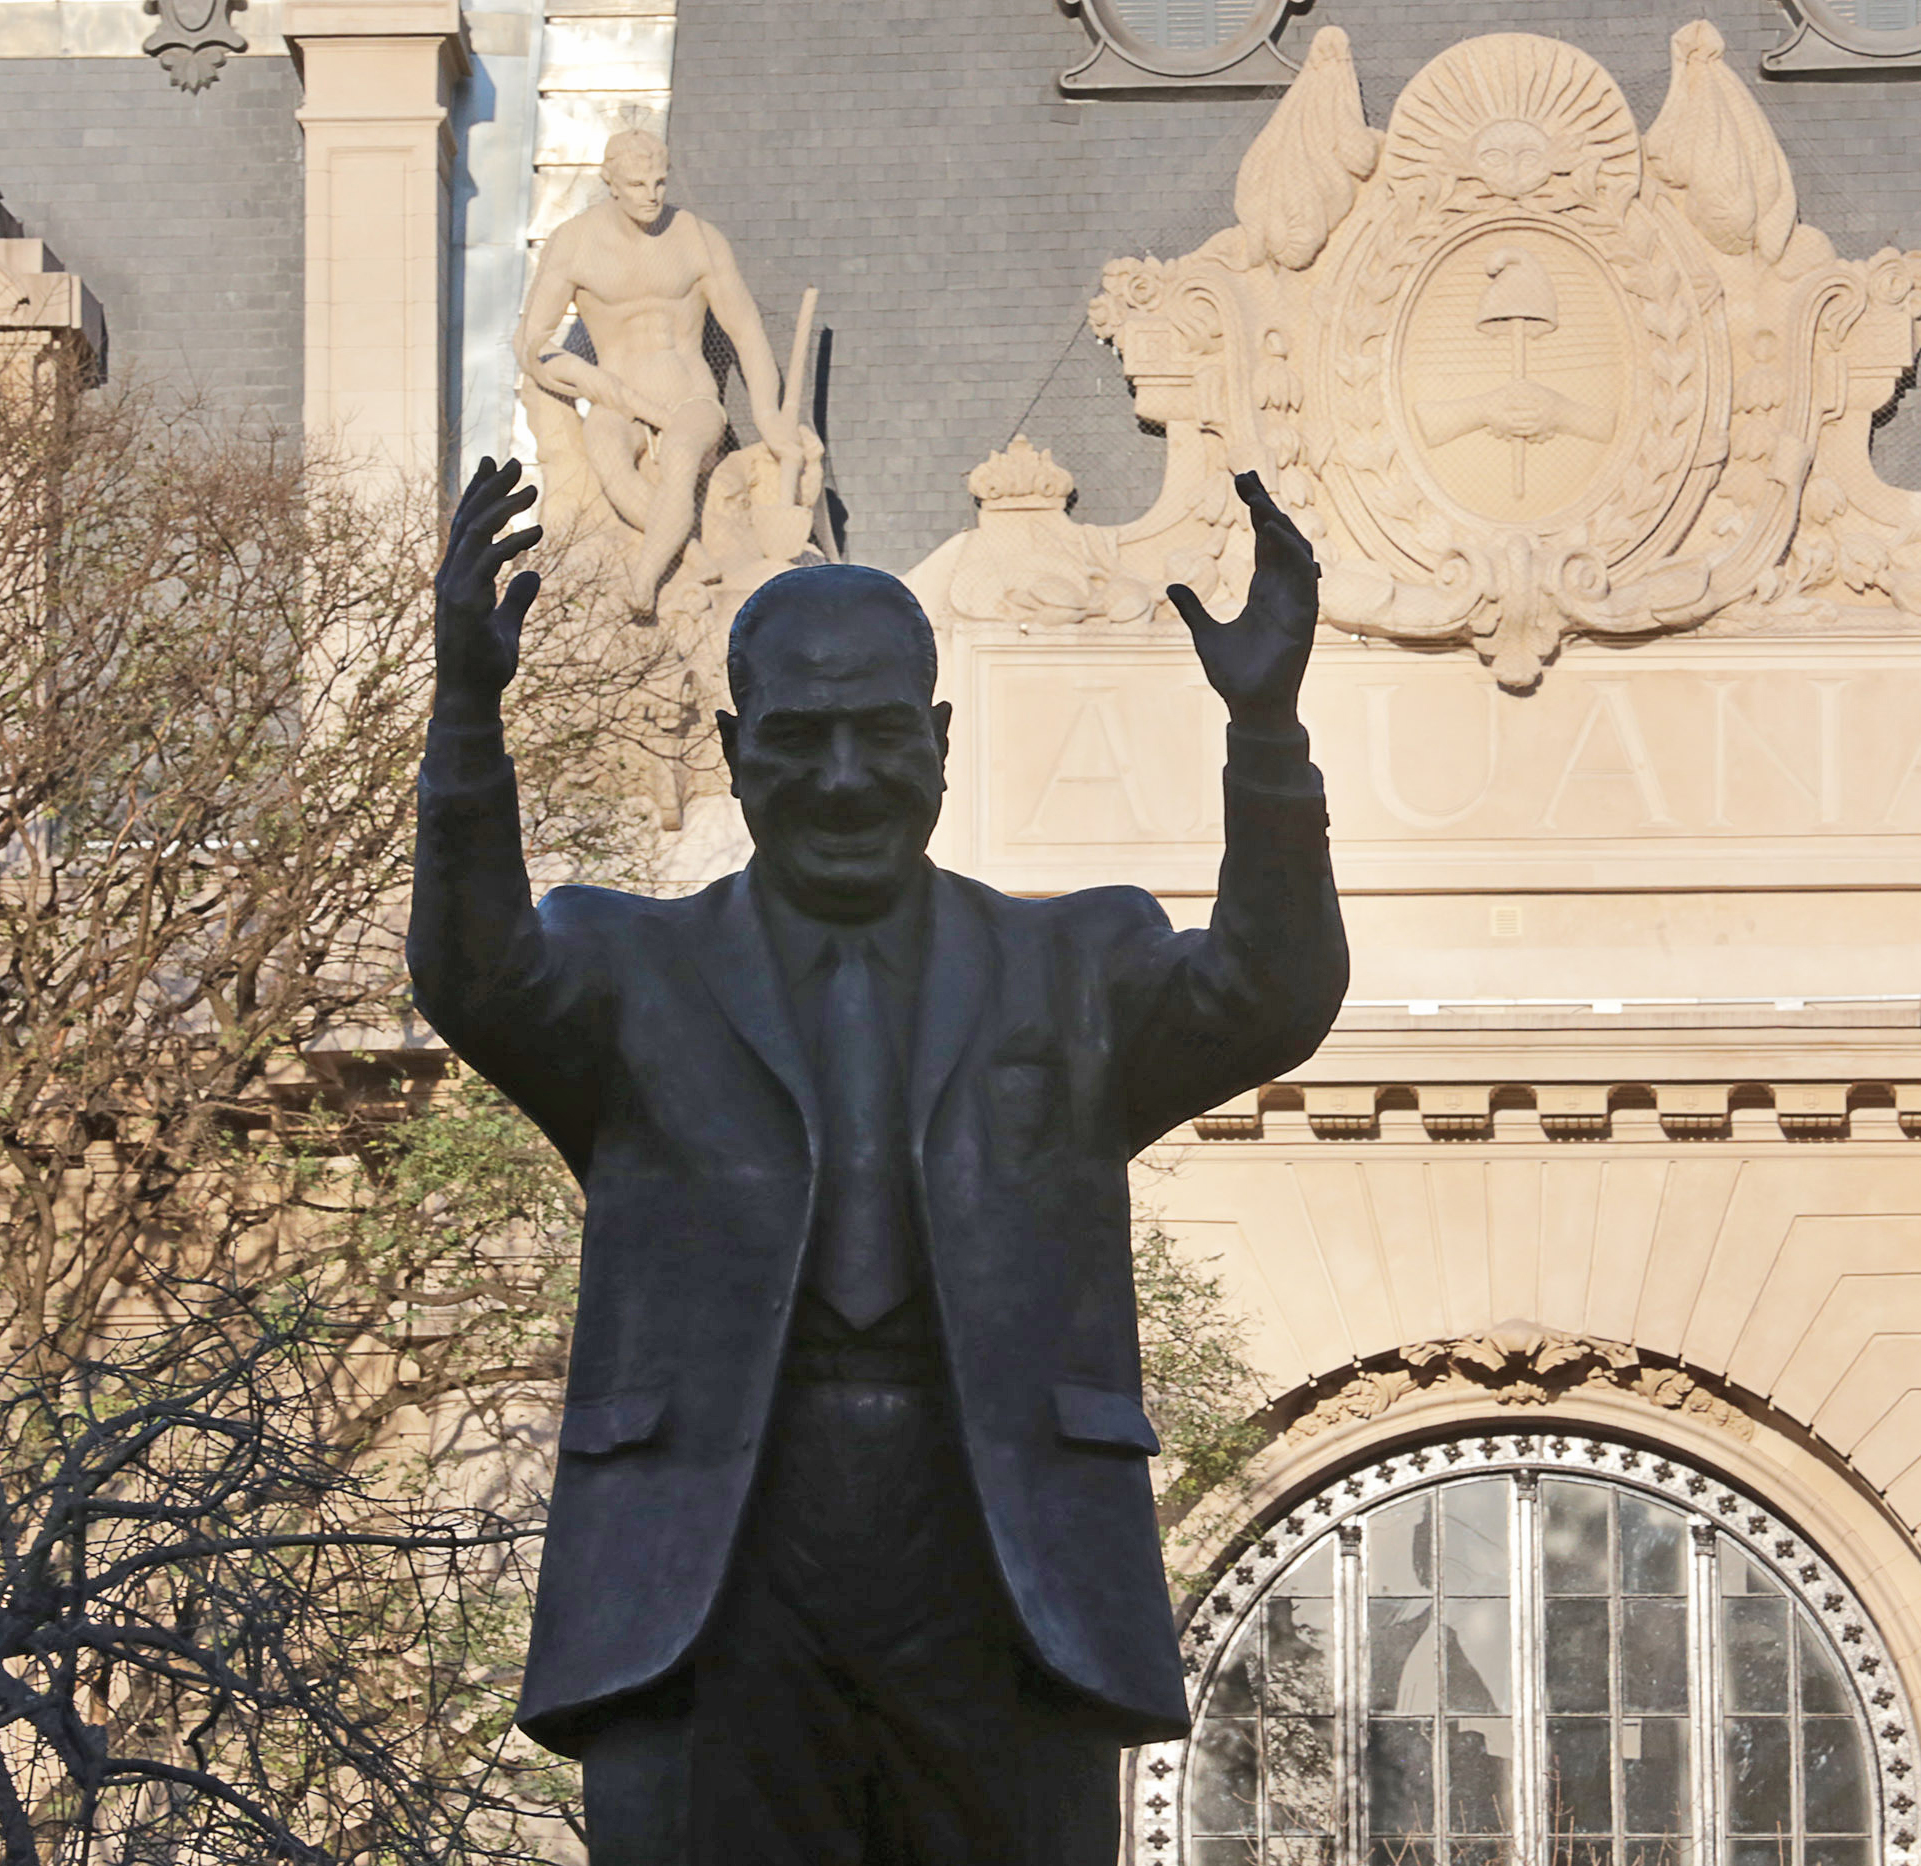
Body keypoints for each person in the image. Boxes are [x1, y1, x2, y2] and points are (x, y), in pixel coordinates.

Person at [410, 456, 1348, 1866]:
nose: (842, 779)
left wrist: (1266, 729)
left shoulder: (1072, 964)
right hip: (718, 1571)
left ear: (941, 739)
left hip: (995, 1559)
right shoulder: (624, 969)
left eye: (878, 734)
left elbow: (1272, 993)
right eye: (798, 739)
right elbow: (472, 974)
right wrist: (469, 719)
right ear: (735, 753)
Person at [515, 130, 809, 609]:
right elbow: (530, 341)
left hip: (690, 396)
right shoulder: (575, 243)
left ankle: (644, 580)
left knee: (678, 457)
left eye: (658, 183)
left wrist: (768, 414)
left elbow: (746, 330)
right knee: (608, 455)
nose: (650, 195)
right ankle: (690, 553)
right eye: (636, 185)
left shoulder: (696, 238)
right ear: (610, 181)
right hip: (616, 398)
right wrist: (576, 375)